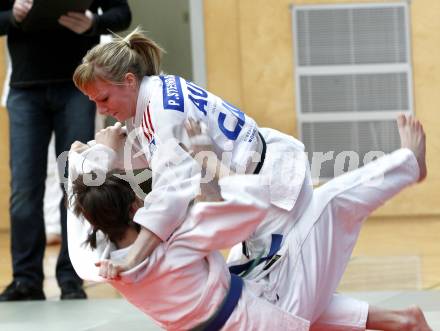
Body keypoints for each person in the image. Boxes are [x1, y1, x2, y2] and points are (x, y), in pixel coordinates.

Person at [67, 116, 431, 330]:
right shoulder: (179, 244)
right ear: (134, 207)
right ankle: (409, 165)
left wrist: (100, 158)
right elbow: (251, 201)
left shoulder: (101, 265)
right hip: (260, 317)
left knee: (259, 256)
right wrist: (204, 155)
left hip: (245, 299)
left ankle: (404, 321)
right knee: (327, 204)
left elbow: (84, 202)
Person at [72, 26, 316, 274]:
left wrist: (130, 259)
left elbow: (169, 197)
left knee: (279, 298)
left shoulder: (163, 112)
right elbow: (148, 153)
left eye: (104, 99)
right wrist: (97, 152)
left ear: (129, 81)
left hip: (274, 191)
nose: (101, 110)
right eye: (94, 102)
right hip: (257, 184)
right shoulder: (152, 95)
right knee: (268, 294)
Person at [0, 0, 131, 301]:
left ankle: (72, 277)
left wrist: (93, 24)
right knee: (23, 189)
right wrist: (13, 16)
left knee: (75, 183)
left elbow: (121, 13)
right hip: (24, 90)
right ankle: (25, 279)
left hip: (77, 88)